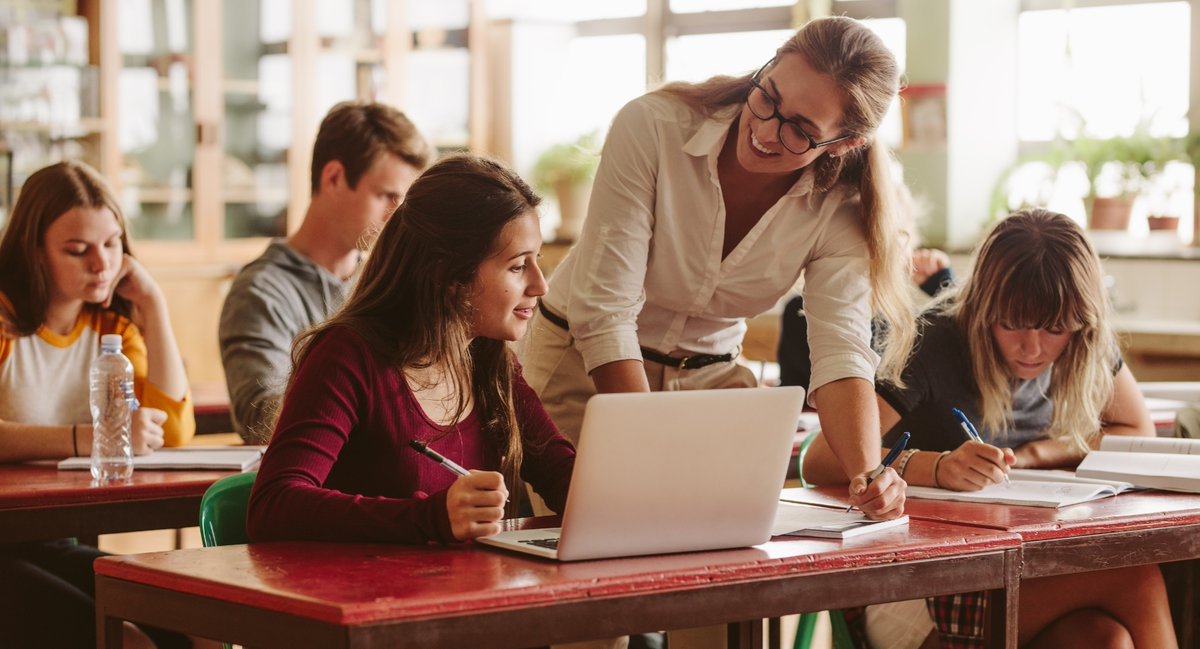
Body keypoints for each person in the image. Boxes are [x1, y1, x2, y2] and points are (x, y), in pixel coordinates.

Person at [520, 15, 913, 519]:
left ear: (843, 144)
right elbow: (604, 312)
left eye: (800, 130)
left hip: (706, 384)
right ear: (766, 68)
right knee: (587, 543)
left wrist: (868, 476)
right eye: (769, 97)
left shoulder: (843, 207)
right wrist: (640, 445)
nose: (767, 131)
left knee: (722, 559)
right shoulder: (653, 126)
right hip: (583, 367)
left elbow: (841, 353)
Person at [805, 208, 1175, 649]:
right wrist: (935, 468)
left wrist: (1040, 452)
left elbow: (1136, 429)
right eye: (1013, 324)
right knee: (1136, 580)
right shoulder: (935, 340)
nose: (1033, 349)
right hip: (915, 588)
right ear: (983, 309)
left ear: (1081, 322)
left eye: (1054, 329)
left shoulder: (1083, 336)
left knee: (1104, 639)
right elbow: (820, 459)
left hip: (1020, 566)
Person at [246, 154, 575, 545]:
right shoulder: (347, 356)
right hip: (365, 598)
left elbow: (561, 474)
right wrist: (428, 517)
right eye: (518, 266)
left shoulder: (490, 360)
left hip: (461, 594)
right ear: (448, 274)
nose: (541, 286)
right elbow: (272, 507)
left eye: (536, 261)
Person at [0, 161, 194, 648]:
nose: (101, 264)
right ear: (34, 252)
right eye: (77, 250)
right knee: (124, 638)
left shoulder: (112, 330)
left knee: (185, 628)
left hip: (60, 535)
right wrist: (81, 439)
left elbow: (171, 430)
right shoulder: (3, 321)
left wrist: (153, 303)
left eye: (111, 245)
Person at [219, 101, 434, 443]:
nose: (398, 216)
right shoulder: (260, 292)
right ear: (333, 177)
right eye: (386, 196)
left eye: (404, 201)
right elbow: (260, 420)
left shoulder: (390, 283)